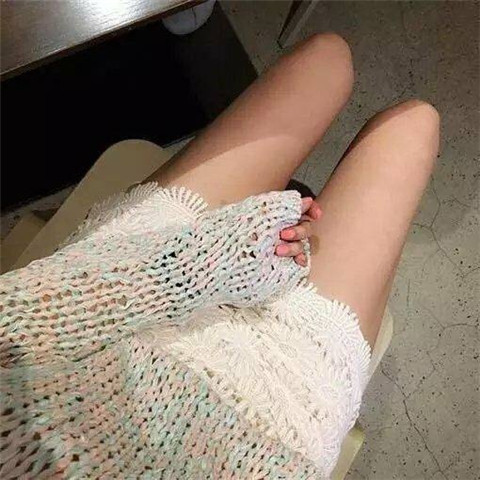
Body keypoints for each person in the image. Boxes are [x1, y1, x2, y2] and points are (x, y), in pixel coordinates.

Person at [0, 34, 439, 479]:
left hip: (121, 293)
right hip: (285, 408)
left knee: (328, 61)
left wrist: (211, 258)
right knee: (413, 126)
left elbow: (25, 316)